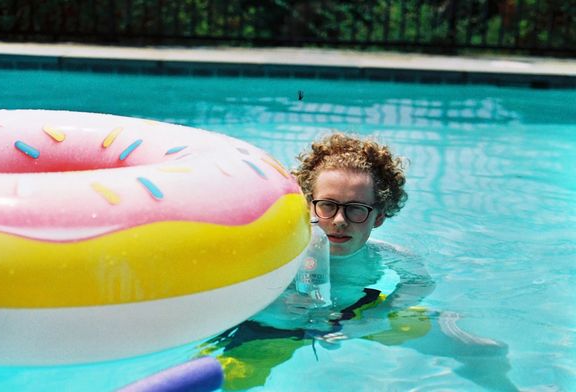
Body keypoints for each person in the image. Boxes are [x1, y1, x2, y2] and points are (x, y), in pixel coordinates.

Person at [199, 133, 517, 391]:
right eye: (328, 206)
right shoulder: (275, 253)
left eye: (355, 209)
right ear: (307, 204)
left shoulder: (386, 255)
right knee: (227, 380)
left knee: (484, 352)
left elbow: (419, 282)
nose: (339, 221)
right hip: (272, 328)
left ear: (378, 217)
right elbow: (218, 294)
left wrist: (379, 313)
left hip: (358, 314)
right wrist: (269, 309)